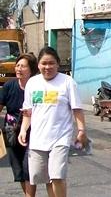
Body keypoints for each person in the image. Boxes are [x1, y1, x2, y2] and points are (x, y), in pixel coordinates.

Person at [18, 47, 88, 197]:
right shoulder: (32, 83)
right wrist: (24, 130)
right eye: (44, 63)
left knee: (57, 176)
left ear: (58, 64)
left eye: (51, 63)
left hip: (60, 138)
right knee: (42, 177)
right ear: (38, 65)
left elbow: (77, 109)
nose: (47, 67)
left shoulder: (67, 82)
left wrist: (81, 130)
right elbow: (28, 112)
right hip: (37, 140)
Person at [0, 54, 39, 197]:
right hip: (11, 131)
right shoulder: (9, 85)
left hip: (33, 130)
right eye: (17, 65)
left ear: (31, 69)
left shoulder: (36, 86)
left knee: (29, 168)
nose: (18, 69)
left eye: (23, 66)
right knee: (19, 171)